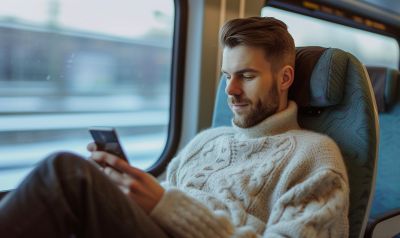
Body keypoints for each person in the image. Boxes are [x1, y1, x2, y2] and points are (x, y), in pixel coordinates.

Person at [0, 17, 349, 238]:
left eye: (247, 76)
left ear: (285, 77)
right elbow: (164, 195)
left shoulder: (315, 156)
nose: (229, 90)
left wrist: (165, 206)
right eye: (227, 76)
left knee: (66, 175)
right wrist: (127, 185)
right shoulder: (206, 141)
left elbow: (166, 203)